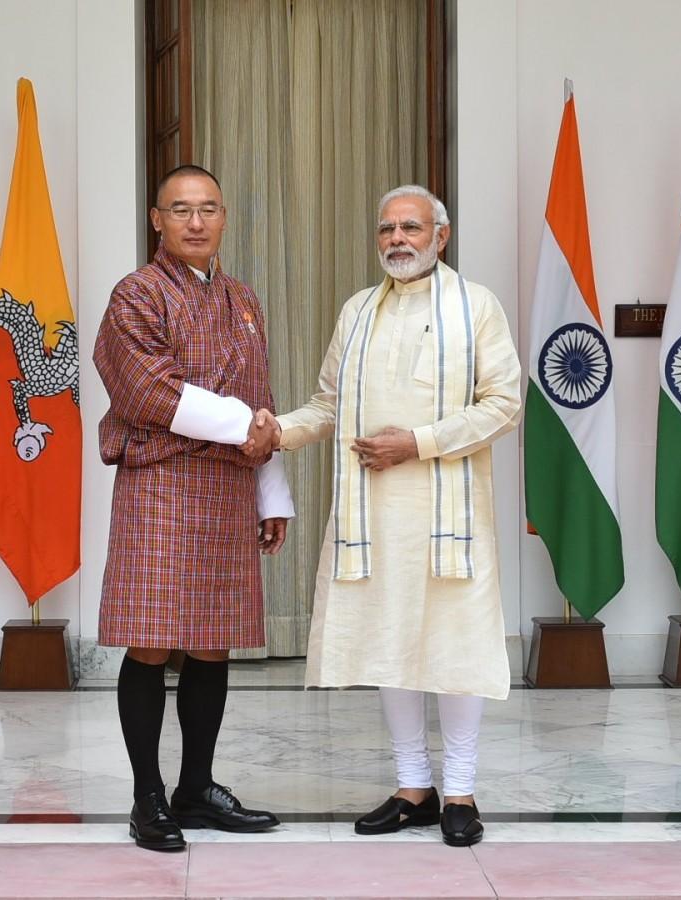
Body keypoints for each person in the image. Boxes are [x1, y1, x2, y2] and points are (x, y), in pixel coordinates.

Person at [248, 185, 521, 847]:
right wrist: (274, 430)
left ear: (441, 235)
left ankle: (459, 792)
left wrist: (417, 443)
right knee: (389, 643)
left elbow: (505, 405)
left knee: (455, 647)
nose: (398, 239)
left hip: (449, 514)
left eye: (411, 227)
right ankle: (413, 789)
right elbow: (328, 404)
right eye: (387, 229)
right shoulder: (358, 312)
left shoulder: (477, 306)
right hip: (373, 514)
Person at [94, 164, 293, 853]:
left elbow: (261, 395)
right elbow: (154, 393)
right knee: (151, 639)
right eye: (181, 209)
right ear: (157, 219)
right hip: (161, 488)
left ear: (225, 215)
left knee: (213, 641)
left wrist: (273, 490)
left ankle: (196, 787)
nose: (196, 221)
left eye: (208, 208)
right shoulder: (136, 296)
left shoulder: (242, 298)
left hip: (229, 487)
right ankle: (148, 795)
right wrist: (251, 429)